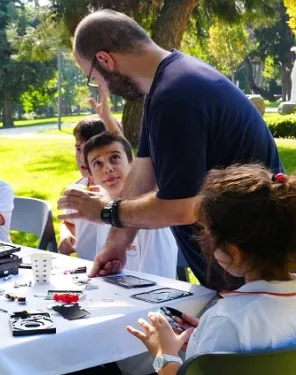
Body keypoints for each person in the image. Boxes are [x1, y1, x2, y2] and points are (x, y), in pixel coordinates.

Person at [59, 10, 283, 290]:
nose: (100, 86)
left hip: (257, 278)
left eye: (93, 77)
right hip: (245, 274)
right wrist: (117, 243)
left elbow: (181, 208)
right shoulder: (167, 85)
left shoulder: (174, 96)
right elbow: (143, 170)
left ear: (106, 60)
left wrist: (106, 211)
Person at [126, 165, 296, 374]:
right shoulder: (225, 322)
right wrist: (202, 335)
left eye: (208, 233)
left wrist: (164, 354)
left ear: (234, 252)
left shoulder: (225, 321)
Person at [82, 132, 177, 278]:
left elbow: (160, 278)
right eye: (98, 164)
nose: (107, 168)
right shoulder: (103, 212)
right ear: (91, 178)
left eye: (114, 158)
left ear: (132, 164)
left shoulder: (149, 217)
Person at [59, 87, 122, 258]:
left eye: (90, 150)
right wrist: (66, 236)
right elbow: (69, 222)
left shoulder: (120, 190)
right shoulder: (78, 187)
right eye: (78, 149)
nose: (83, 157)